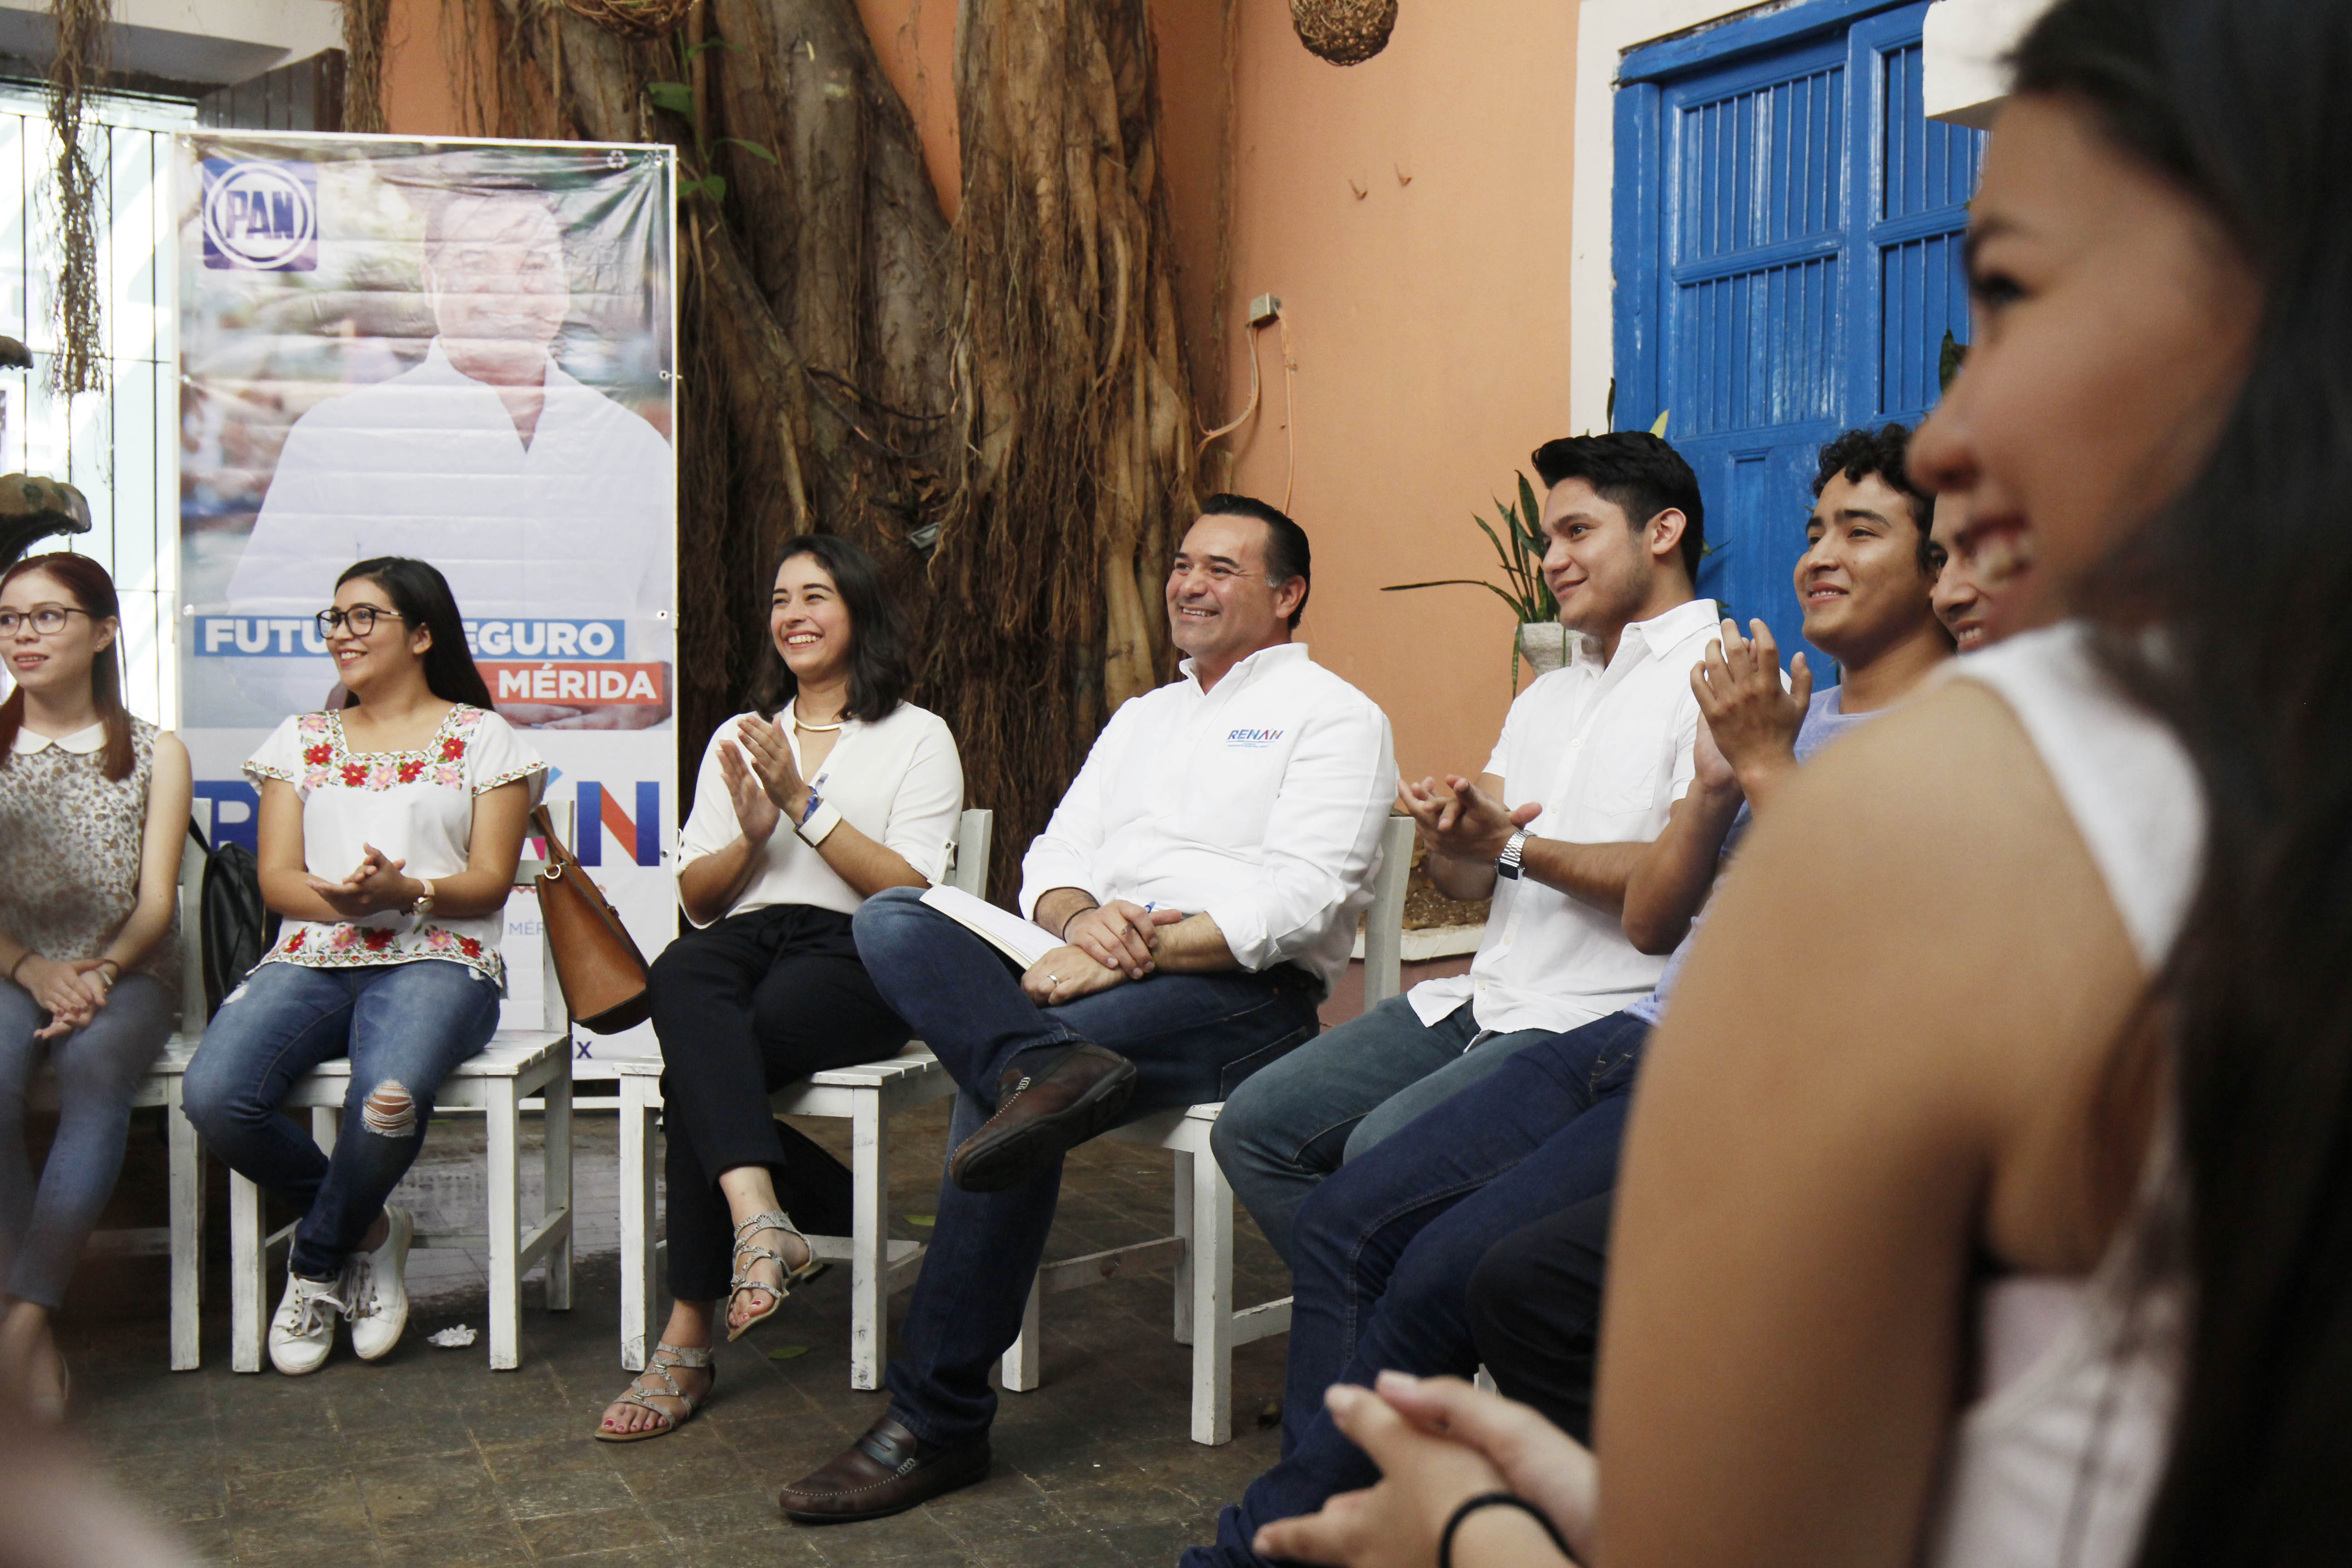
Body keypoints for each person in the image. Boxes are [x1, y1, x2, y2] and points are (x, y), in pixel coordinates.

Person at [1256, 0, 2316, 1562]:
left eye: (2015, 294)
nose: (1957, 428)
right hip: (1578, 1024)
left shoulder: (1993, 774)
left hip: (1607, 1038)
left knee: (1445, 1258)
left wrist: (1476, 1528)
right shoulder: (2165, 796)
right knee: (1339, 1183)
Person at [1186, 424, 1953, 1567]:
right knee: (1347, 1205)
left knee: (1447, 1252)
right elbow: (1600, 894)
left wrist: (1736, 770)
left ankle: (1312, 1526)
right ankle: (1351, 1503)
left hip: (1670, 1043)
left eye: (1859, 530)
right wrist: (1483, 838)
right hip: (1596, 1025)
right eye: (1811, 529)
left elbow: (1816, 935)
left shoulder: (1790, 703)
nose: (1816, 557)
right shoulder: (1774, 706)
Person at [773, 495, 1395, 1523]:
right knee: (893, 915)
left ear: (1286, 595)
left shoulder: (1334, 714)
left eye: (1221, 570)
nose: (1188, 584)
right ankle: (1037, 1060)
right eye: (1182, 563)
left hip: (1236, 996)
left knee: (999, 1103)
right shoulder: (1144, 716)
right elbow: (1051, 858)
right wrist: (1075, 917)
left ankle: (934, 1420)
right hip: (1086, 966)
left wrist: (1130, 945)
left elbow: (1303, 900)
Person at [1211, 433, 1716, 1265]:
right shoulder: (1549, 692)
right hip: (1481, 1004)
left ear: (1660, 533)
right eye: (1546, 540)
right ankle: (1385, 1335)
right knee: (1256, 1126)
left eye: (1576, 533)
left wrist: (1510, 844)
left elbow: (1667, 880)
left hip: (1596, 1022)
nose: (1552, 560)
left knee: (1379, 1154)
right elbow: (1466, 880)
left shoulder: (1718, 674)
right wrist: (1452, 832)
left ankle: (1383, 1341)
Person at [594, 535, 963, 1441]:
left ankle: (687, 1336)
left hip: (864, 949)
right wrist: (755, 833)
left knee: (703, 1064)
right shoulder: (740, 737)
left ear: (861, 613)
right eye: (780, 598)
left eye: (816, 596)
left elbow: (907, 890)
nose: (792, 614)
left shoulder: (918, 736)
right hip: (750, 938)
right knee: (682, 971)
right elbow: (697, 897)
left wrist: (804, 804)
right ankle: (764, 1217)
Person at [184, 557, 545, 1375]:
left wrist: (405, 890)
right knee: (213, 1097)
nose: (341, 634)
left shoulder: (483, 736)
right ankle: (371, 1233)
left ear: (421, 636)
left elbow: (489, 881)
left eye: (363, 617)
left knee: (386, 1098)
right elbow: (278, 879)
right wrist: (343, 902)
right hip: (315, 952)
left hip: (439, 957)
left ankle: (313, 1267)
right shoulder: (302, 740)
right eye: (335, 618)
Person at [224, 184, 674, 730]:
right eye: (474, 263)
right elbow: (264, 628)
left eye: (534, 264)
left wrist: (646, 699)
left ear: (564, 285)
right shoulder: (342, 436)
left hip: (605, 785)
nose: (507, 289)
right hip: (405, 780)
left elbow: (663, 628)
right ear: (430, 277)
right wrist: (420, 709)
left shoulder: (631, 446)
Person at [0, 554, 191, 1421]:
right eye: (9, 620)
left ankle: (27, 1324)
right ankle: (21, 1312)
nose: (22, 636)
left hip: (128, 971)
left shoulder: (156, 749)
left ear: (104, 631)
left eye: (46, 617)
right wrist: (33, 970)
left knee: (91, 1074)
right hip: (11, 967)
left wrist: (102, 972)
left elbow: (157, 902)